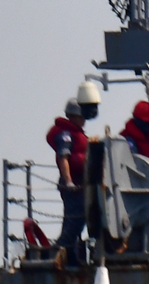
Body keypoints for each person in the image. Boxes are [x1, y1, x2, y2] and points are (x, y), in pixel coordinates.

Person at [47, 97, 88, 251]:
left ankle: (70, 253)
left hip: (81, 183)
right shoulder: (66, 134)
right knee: (76, 218)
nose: (84, 120)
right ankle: (60, 249)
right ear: (73, 116)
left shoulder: (77, 133)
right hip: (73, 184)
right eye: (81, 116)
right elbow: (63, 157)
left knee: (73, 220)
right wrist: (69, 181)